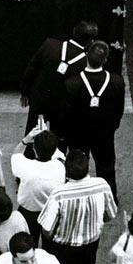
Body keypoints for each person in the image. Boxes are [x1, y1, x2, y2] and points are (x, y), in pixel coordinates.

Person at [54, 41, 126, 197]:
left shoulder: (72, 84)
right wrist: (113, 126)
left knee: (77, 166)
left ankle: (75, 196)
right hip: (104, 133)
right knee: (106, 166)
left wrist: (64, 133)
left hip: (77, 134)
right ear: (105, 60)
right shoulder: (117, 81)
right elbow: (119, 109)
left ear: (86, 56)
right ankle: (109, 199)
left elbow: (65, 113)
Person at [20, 20, 98, 134]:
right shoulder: (85, 62)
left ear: (74, 32)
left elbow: (31, 69)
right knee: (58, 140)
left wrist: (24, 92)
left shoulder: (49, 44)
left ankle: (30, 151)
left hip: (39, 100)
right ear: (91, 41)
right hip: (61, 108)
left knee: (34, 133)